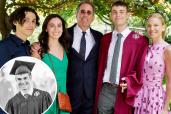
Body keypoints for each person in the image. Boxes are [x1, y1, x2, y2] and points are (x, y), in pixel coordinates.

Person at [93, 1, 148, 114]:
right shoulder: (105, 39)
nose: (118, 15)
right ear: (110, 15)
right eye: (114, 12)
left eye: (122, 12)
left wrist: (130, 81)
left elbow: (140, 69)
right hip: (106, 90)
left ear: (128, 15)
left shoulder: (139, 41)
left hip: (124, 91)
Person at [66, 1, 103, 114]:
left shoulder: (99, 37)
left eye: (89, 12)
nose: (85, 15)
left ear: (93, 17)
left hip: (90, 95)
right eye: (82, 11)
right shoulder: (64, 35)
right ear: (77, 14)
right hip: (69, 92)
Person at [134, 13, 171, 114]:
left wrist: (165, 107)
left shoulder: (167, 49)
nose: (151, 28)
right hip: (141, 96)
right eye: (149, 25)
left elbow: (169, 81)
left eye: (156, 25)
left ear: (163, 27)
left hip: (156, 98)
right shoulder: (146, 48)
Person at [38, 14, 69, 114]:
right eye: (52, 25)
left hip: (62, 97)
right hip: (46, 99)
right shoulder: (39, 50)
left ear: (63, 29)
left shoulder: (65, 47)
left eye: (59, 25)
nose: (56, 29)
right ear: (46, 29)